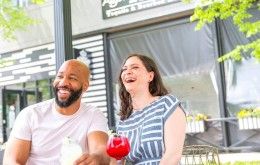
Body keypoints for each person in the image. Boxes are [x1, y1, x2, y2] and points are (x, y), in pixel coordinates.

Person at [3, 59, 110, 165]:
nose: (63, 82)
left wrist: (97, 158)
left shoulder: (93, 114)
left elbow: (100, 149)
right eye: (60, 76)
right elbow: (11, 161)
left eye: (72, 78)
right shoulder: (30, 115)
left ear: (85, 86)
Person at [111, 54, 186, 165]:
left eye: (135, 67)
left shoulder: (167, 104)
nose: (128, 72)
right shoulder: (124, 121)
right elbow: (119, 161)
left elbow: (173, 155)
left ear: (150, 76)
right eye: (124, 69)